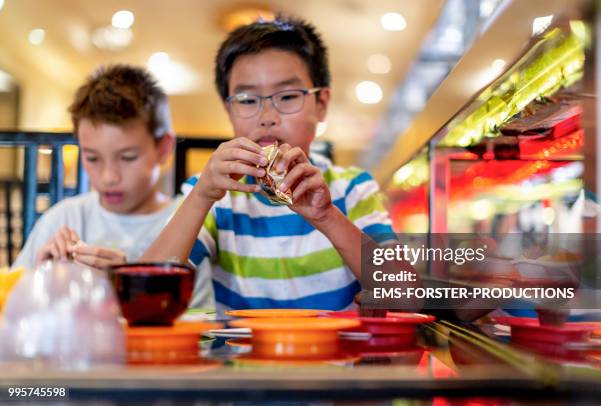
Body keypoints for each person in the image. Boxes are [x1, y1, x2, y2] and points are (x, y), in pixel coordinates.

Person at [143, 16, 395, 312]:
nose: (266, 115)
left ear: (322, 104)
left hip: (338, 357)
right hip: (241, 358)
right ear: (229, 110)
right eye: (247, 100)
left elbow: (403, 291)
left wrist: (327, 216)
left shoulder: (352, 188)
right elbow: (147, 294)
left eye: (287, 96)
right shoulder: (212, 197)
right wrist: (200, 197)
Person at [12, 64, 213, 308]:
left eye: (127, 157)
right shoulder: (63, 218)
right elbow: (10, 310)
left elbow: (200, 327)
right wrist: (43, 281)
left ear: (163, 148)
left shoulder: (189, 222)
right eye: (92, 158)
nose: (108, 177)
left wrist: (130, 285)